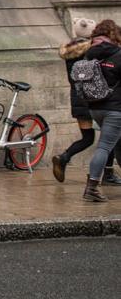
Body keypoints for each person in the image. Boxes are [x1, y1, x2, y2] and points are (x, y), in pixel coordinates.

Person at [52, 18, 121, 183]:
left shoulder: (72, 53)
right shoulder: (97, 51)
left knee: (89, 138)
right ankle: (107, 174)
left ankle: (65, 157)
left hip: (79, 98)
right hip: (99, 99)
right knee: (108, 140)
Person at [81, 19, 121, 202]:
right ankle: (92, 189)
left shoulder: (90, 54)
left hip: (95, 107)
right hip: (115, 109)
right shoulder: (118, 54)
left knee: (116, 142)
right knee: (104, 146)